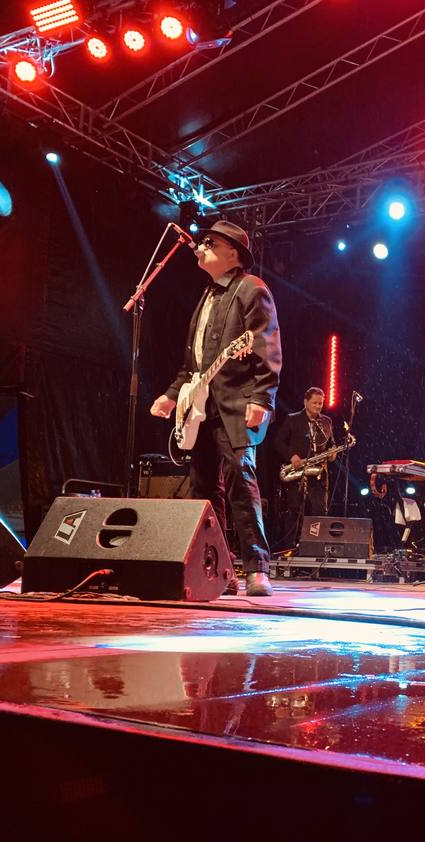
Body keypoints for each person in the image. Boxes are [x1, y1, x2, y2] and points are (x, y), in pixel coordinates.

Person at [150, 221, 282, 597]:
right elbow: (193, 363)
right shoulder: (205, 298)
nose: (201, 246)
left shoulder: (252, 289)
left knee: (242, 478)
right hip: (201, 408)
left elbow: (267, 348)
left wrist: (262, 398)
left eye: (211, 243)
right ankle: (219, 568)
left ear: (233, 255)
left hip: (237, 404)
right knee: (204, 490)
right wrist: (174, 394)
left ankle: (257, 567)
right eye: (202, 241)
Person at [273, 387, 337, 551]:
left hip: (319, 474)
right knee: (294, 512)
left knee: (319, 512)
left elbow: (332, 444)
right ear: (305, 402)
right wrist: (291, 455)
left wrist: (333, 453)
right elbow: (278, 442)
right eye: (314, 403)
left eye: (320, 404)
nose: (318, 406)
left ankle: (315, 549)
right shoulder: (292, 419)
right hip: (298, 473)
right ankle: (289, 549)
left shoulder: (327, 422)